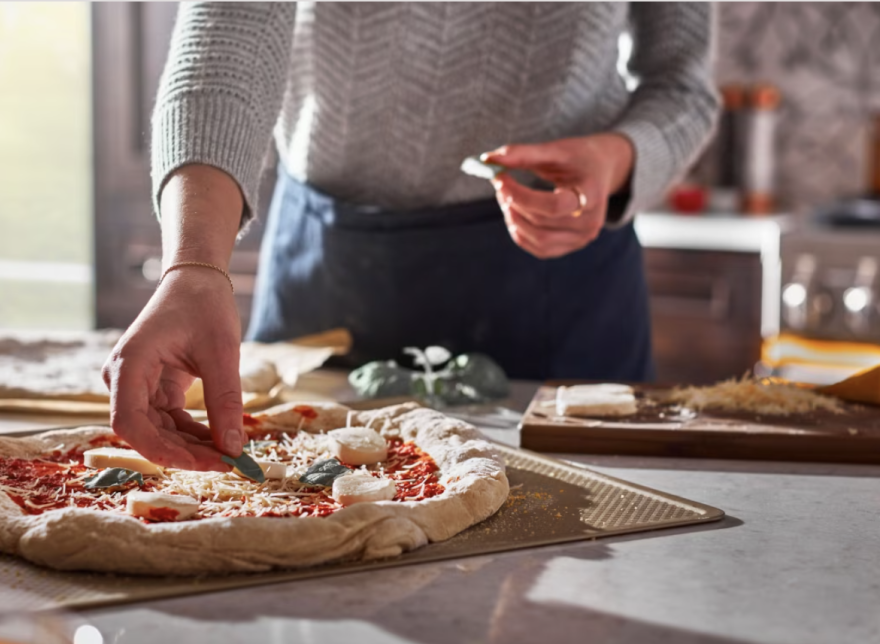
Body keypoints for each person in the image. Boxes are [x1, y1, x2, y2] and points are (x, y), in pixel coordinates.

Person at [101, 3, 721, 471]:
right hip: (329, 266)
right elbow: (226, 43)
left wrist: (615, 159)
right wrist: (192, 265)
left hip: (558, 281)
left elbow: (684, 90)